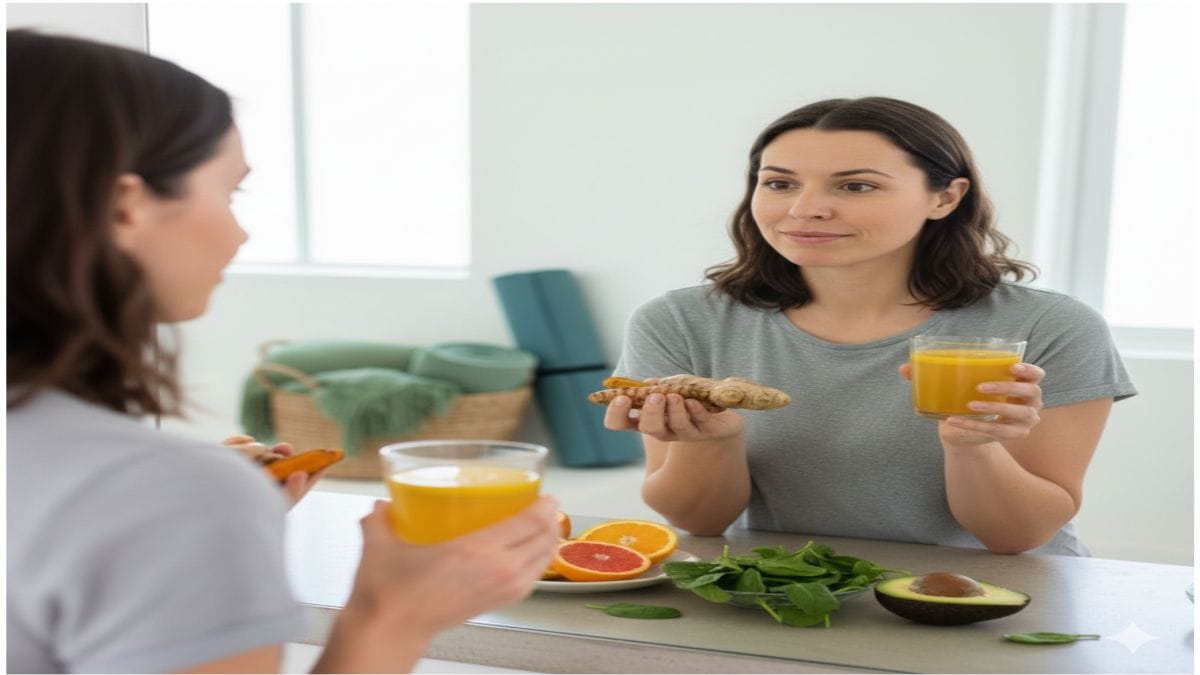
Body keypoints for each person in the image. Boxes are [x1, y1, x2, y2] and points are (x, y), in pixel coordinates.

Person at [6, 30, 560, 674]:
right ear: (126, 206)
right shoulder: (166, 495)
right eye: (229, 192)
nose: (239, 231)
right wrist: (392, 617)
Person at [601, 97, 1136, 556]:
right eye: (780, 183)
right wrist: (708, 442)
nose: (805, 209)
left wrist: (973, 447)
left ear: (945, 197)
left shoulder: (1049, 326)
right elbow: (700, 522)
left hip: (990, 603)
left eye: (855, 186)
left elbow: (1017, 538)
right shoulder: (679, 322)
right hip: (786, 595)